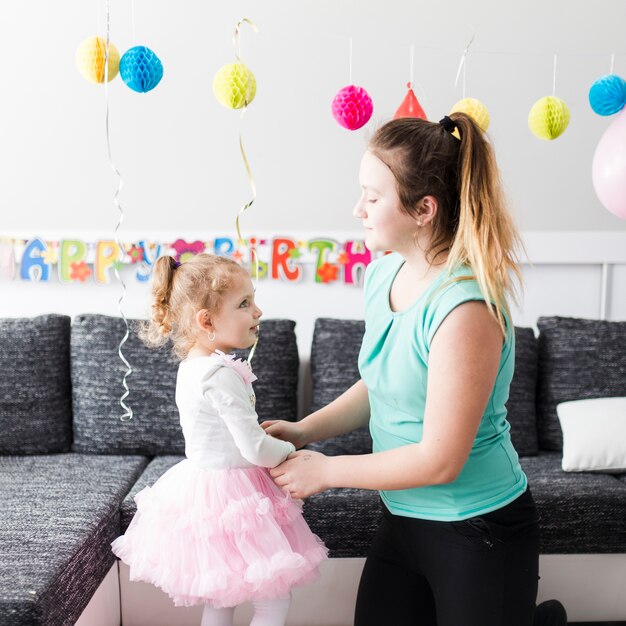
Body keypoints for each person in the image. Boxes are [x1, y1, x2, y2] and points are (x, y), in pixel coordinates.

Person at [263, 113, 543, 626]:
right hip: (403, 520)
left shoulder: (464, 309)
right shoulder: (386, 271)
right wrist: (306, 429)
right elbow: (383, 383)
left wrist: (326, 471)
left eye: (372, 198)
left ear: (423, 210)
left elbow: (440, 460)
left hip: (477, 526)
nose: (357, 210)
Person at [112, 254, 327, 626]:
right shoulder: (219, 374)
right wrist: (293, 449)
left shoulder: (191, 368)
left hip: (203, 488)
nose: (258, 311)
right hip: (237, 494)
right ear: (206, 320)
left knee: (220, 596)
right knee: (273, 600)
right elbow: (255, 449)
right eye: (244, 304)